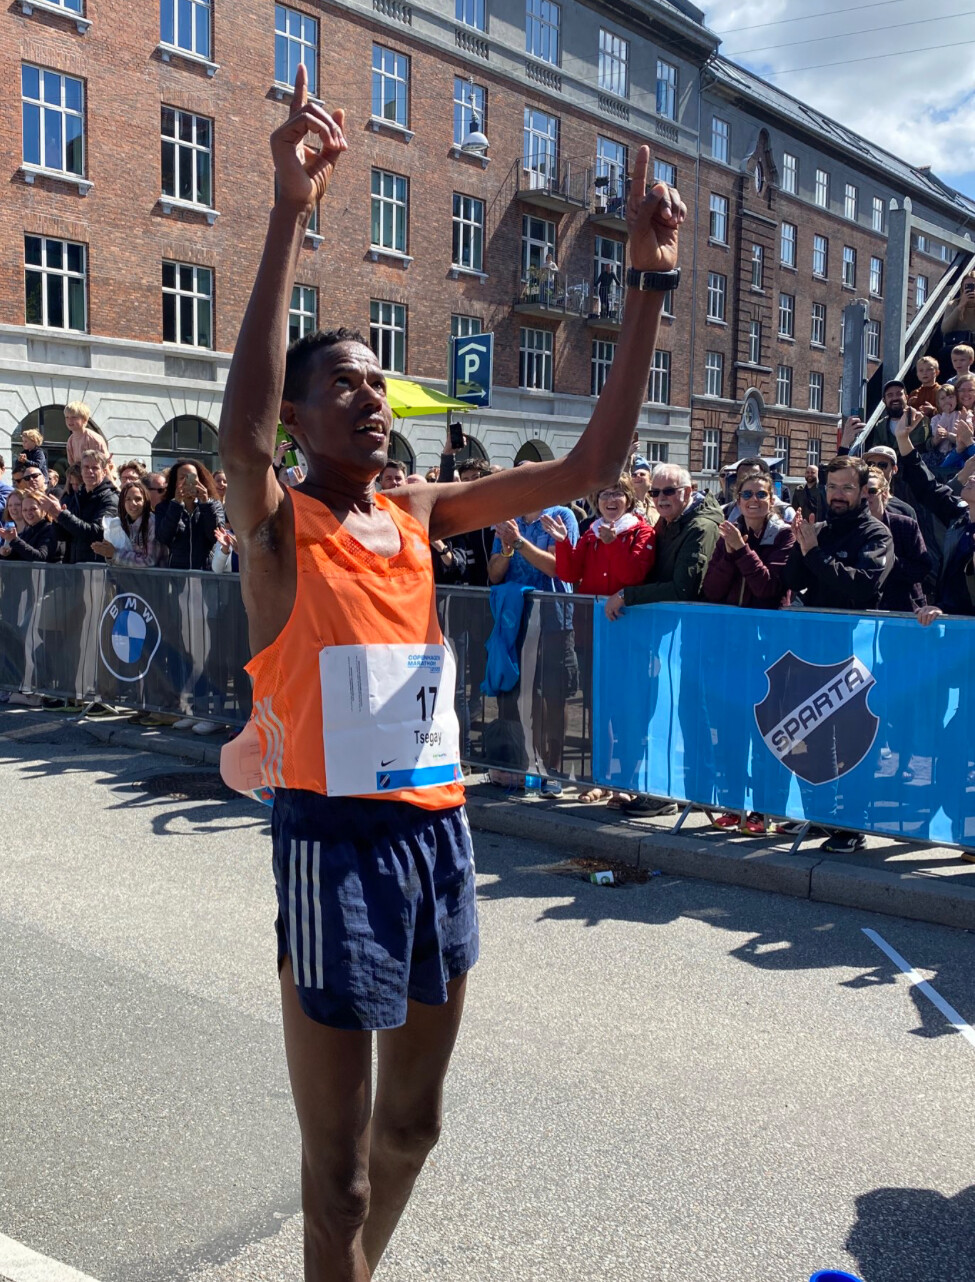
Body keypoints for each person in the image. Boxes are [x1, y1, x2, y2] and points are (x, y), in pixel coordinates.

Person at [216, 64, 684, 1282]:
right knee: (338, 1172)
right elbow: (239, 436)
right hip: (331, 839)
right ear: (299, 419)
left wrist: (650, 279)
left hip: (436, 836)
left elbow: (591, 467)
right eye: (342, 384)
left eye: (380, 382)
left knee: (413, 1131)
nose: (370, 398)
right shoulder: (278, 527)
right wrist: (287, 212)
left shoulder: (420, 511)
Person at [605, 462, 724, 817]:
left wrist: (627, 595)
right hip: (672, 636)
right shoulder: (669, 522)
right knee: (674, 712)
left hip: (695, 636)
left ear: (688, 491)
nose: (660, 498)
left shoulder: (700, 526)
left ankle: (685, 792)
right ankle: (678, 791)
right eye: (656, 492)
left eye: (669, 491)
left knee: (686, 715)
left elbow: (684, 587)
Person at [543, 474, 655, 804]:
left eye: (618, 493)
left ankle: (626, 781)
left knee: (626, 710)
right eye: (605, 493)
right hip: (593, 633)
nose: (611, 499)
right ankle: (600, 778)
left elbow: (633, 575)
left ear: (628, 499)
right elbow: (569, 574)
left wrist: (612, 544)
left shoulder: (642, 532)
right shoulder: (591, 532)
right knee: (598, 709)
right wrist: (563, 543)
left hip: (628, 633)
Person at [702, 473, 795, 834]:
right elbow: (712, 590)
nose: (753, 500)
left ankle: (765, 810)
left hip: (768, 649)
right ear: (738, 500)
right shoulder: (728, 532)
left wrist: (741, 551)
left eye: (761, 494)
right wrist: (730, 552)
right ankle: (733, 804)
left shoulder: (783, 535)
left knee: (767, 733)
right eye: (746, 494)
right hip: (731, 648)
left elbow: (769, 589)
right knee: (730, 730)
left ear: (772, 500)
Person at [862, 467, 929, 614]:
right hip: (864, 611)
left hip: (903, 610)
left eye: (872, 491)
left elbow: (922, 569)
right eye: (862, 491)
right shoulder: (852, 528)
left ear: (884, 494)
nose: (866, 496)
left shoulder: (905, 525)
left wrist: (888, 561)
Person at [38, 450, 118, 563]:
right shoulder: (77, 496)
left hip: (96, 566)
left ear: (104, 472)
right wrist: (56, 519)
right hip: (74, 565)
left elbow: (97, 533)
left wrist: (62, 515)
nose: (89, 471)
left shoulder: (110, 498)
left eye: (95, 468)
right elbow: (63, 536)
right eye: (86, 467)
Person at [154, 459, 226, 569]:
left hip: (205, 570)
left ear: (200, 480)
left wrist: (205, 504)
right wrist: (176, 505)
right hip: (177, 571)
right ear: (175, 482)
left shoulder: (214, 505)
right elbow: (163, 537)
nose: (187, 482)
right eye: (182, 478)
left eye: (192, 477)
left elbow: (215, 537)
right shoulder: (165, 507)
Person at [91, 479, 161, 566]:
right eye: (128, 499)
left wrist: (114, 554)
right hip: (125, 575)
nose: (133, 503)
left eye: (138, 499)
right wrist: (107, 552)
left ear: (146, 501)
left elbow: (149, 561)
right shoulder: (118, 525)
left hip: (152, 575)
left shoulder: (152, 523)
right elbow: (113, 561)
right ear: (122, 502)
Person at [0, 491, 61, 562]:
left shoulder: (50, 529)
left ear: (44, 510)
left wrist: (15, 541)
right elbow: (20, 556)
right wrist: (6, 554)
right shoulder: (28, 530)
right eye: (25, 510)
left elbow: (41, 557)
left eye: (33, 509)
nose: (28, 513)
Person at [64, 401, 110, 466]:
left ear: (84, 419)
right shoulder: (70, 440)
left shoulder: (93, 439)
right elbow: (72, 465)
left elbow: (104, 463)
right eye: (67, 417)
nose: (69, 420)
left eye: (74, 417)